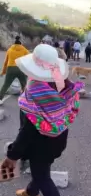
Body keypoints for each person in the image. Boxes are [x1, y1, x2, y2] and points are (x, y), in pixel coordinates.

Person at [1, 44, 84, 196]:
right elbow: (70, 110)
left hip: (40, 145)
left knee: (42, 177)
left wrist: (13, 155)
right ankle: (30, 191)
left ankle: (33, 190)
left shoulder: (34, 92)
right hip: (58, 139)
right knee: (42, 170)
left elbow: (27, 130)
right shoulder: (61, 82)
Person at [0, 36, 29, 102]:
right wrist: (27, 72)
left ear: (14, 44)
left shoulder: (10, 50)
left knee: (6, 84)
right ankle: (26, 100)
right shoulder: (25, 50)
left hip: (10, 68)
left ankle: (0, 99)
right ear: (20, 43)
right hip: (21, 68)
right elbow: (28, 60)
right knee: (24, 84)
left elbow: (5, 62)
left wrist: (3, 72)